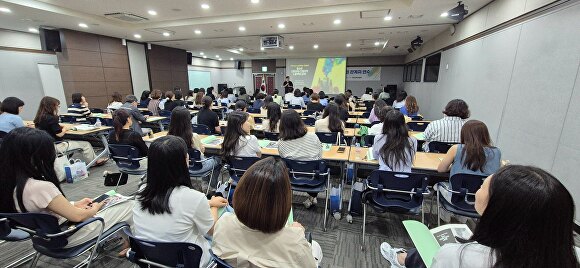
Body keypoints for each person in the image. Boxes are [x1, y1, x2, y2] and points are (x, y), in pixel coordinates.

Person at [380, 165, 578, 268]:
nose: (479, 188)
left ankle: (401, 259)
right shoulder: (572, 254)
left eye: (484, 186)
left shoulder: (460, 256)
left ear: (499, 207)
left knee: (429, 254)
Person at [0, 127, 134, 252]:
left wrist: (74, 204)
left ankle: (125, 241)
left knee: (108, 204)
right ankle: (135, 247)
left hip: (42, 236)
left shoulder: (8, 183)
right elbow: (78, 216)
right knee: (130, 205)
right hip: (68, 235)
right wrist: (94, 209)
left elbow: (40, 207)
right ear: (35, 157)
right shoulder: (40, 187)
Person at [133, 135, 228, 267]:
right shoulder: (193, 197)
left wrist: (209, 203)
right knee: (226, 216)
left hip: (153, 260)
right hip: (191, 261)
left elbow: (173, 206)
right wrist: (214, 207)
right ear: (184, 161)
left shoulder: (141, 192)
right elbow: (212, 231)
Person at [212, 157, 323, 267]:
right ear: (283, 203)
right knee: (316, 247)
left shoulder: (222, 224)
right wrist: (298, 232)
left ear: (240, 194)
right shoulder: (294, 243)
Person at [34, 96, 107, 166]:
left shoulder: (39, 118)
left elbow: (50, 128)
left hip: (44, 146)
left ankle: (95, 159)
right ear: (51, 106)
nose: (58, 108)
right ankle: (94, 162)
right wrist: (65, 128)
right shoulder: (52, 118)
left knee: (74, 141)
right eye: (57, 106)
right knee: (86, 144)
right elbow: (60, 134)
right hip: (56, 146)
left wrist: (59, 126)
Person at [278, 109, 322, 208]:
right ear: (299, 121)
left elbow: (283, 160)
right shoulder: (313, 137)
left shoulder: (281, 142)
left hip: (292, 177)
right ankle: (312, 196)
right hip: (314, 176)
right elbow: (320, 157)